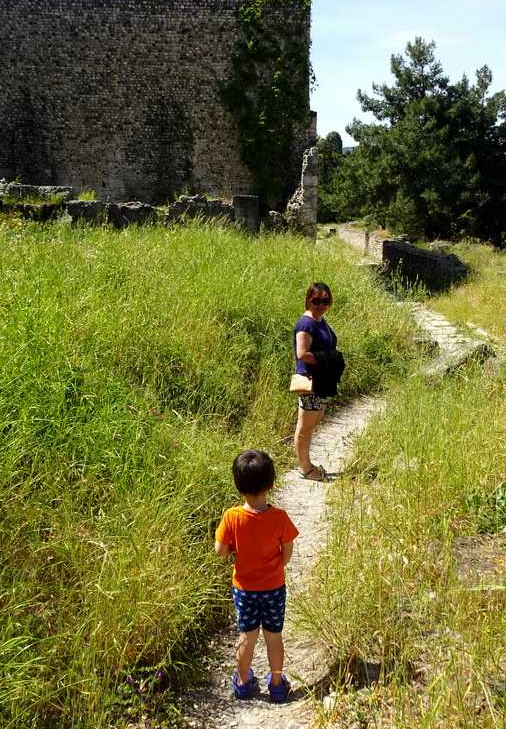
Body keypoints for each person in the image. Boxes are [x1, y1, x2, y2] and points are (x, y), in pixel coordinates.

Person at [214, 449, 299, 702]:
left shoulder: (232, 517)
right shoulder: (280, 518)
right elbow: (287, 551)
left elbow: (221, 550)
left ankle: (242, 682)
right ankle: (276, 684)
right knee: (274, 636)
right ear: (272, 484)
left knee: (246, 635)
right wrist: (277, 568)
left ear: (238, 486)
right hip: (274, 587)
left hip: (244, 588)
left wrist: (234, 548)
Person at [293, 282, 343, 481]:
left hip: (321, 381)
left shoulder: (320, 319)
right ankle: (305, 468)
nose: (321, 304)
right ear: (308, 300)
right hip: (310, 382)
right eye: (316, 301)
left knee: (312, 425)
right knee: (304, 428)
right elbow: (302, 354)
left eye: (325, 300)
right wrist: (330, 360)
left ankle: (307, 462)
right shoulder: (306, 324)